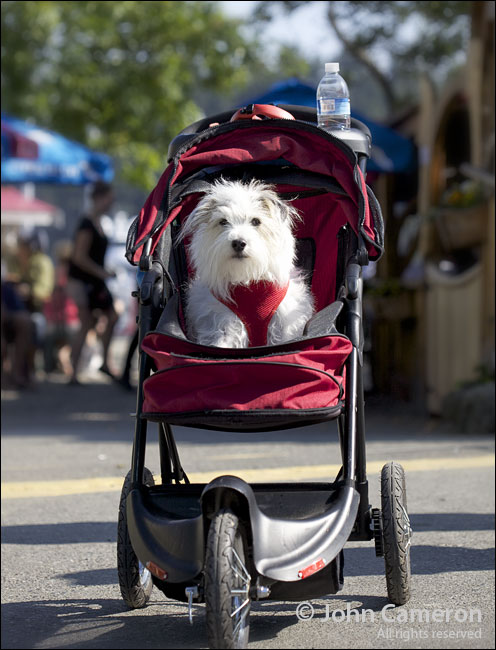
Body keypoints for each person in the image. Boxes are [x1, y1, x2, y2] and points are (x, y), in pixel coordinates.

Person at [67, 181, 119, 385]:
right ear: (99, 198)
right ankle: (73, 370)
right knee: (86, 323)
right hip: (83, 281)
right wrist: (102, 273)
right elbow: (78, 257)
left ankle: (104, 361)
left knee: (111, 316)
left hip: (95, 280)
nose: (111, 202)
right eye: (109, 198)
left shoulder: (98, 222)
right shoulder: (87, 223)